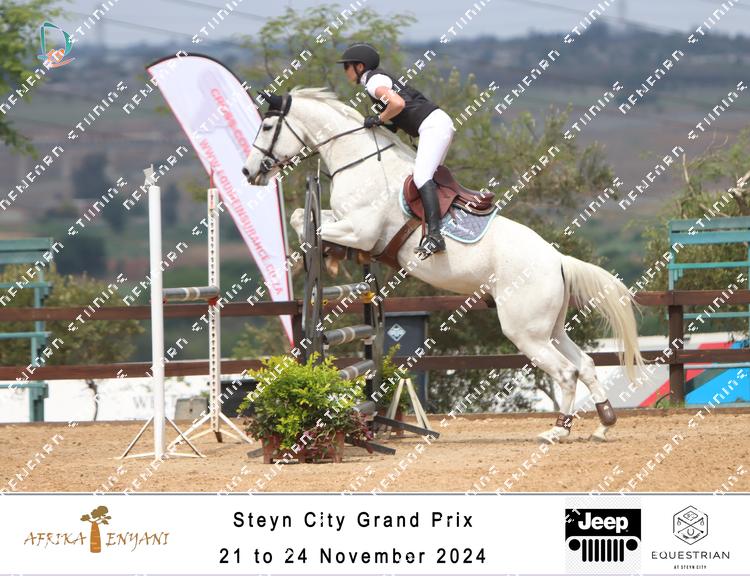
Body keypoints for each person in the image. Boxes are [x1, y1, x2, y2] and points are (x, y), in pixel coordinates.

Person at [337, 43, 455, 258]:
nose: (345, 71)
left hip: (433, 126)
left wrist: (379, 118)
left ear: (360, 66)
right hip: (436, 124)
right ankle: (445, 226)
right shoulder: (376, 80)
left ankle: (435, 236)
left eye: (347, 66)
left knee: (422, 177)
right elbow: (401, 112)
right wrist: (386, 124)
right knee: (430, 179)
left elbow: (397, 104)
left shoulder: (373, 82)